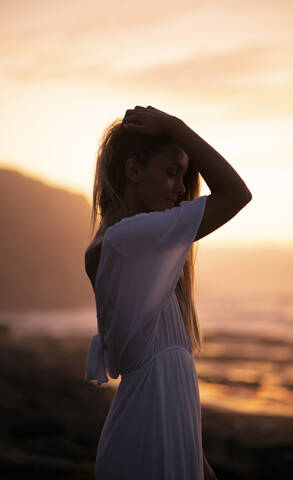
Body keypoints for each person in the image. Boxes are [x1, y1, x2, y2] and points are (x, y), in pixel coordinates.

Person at [84, 105, 252, 479]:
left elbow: (172, 391)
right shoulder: (130, 240)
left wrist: (199, 464)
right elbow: (236, 193)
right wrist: (178, 127)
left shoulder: (126, 246)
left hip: (157, 437)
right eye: (172, 173)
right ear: (133, 170)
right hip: (145, 442)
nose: (181, 190)